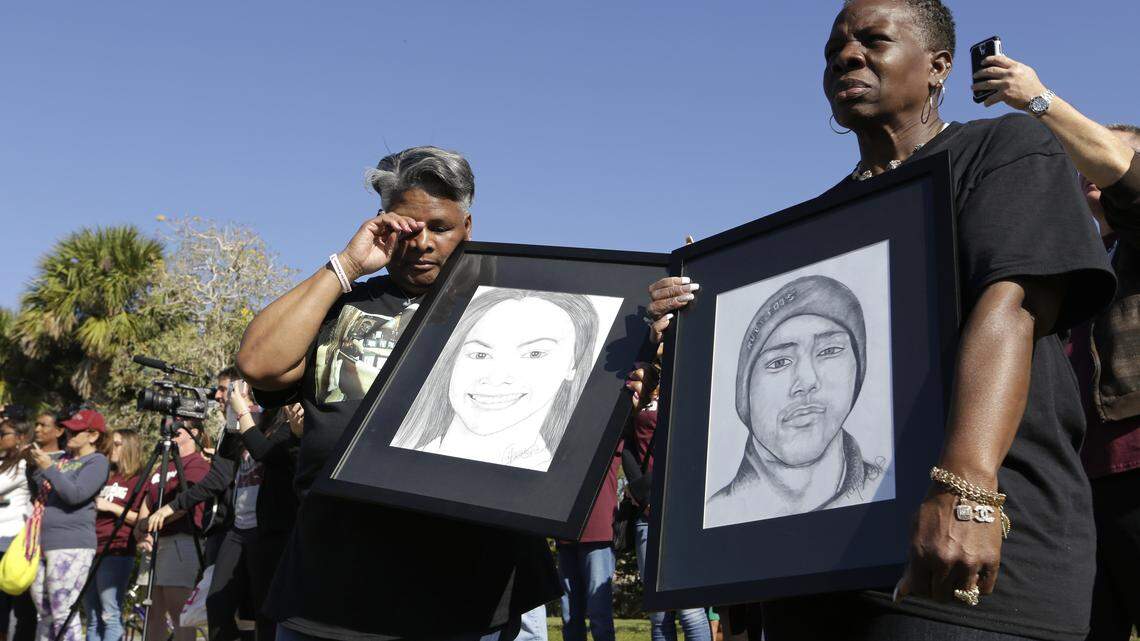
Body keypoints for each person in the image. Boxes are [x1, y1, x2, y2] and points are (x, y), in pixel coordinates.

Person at [647, 1, 1116, 638]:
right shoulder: (816, 226)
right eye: (833, 50)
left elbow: (1013, 307)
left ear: (939, 66)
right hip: (816, 580)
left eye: (873, 40)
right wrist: (693, 329)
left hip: (966, 569)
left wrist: (968, 488)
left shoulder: (1001, 149)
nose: (846, 56)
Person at [237, 145, 559, 640]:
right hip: (331, 589)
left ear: (467, 227)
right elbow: (259, 364)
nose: (423, 243)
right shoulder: (340, 306)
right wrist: (347, 264)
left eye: (440, 227)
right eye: (409, 227)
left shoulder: (514, 309)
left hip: (469, 592)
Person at [973, 54, 1140, 640]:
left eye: (1102, 152)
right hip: (1075, 481)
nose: (1086, 164)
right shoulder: (1076, 263)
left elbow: (1128, 180)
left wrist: (1038, 101)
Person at [704, 275, 883, 526]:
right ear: (745, 390)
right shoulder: (713, 515)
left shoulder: (889, 490)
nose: (807, 381)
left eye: (829, 351)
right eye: (779, 362)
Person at [392, 288, 600, 471]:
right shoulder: (388, 457)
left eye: (534, 354)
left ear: (573, 365)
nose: (496, 378)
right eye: (480, 354)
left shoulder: (562, 486)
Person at [623, 368, 712, 641]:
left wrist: (651, 488)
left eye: (639, 376)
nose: (633, 381)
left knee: (689, 609)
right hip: (646, 514)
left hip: (678, 510)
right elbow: (628, 451)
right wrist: (643, 496)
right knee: (659, 614)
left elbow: (680, 450)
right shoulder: (630, 404)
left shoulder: (678, 395)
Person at [28, 409, 112, 641]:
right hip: (43, 543)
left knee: (62, 611)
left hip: (71, 544)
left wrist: (49, 468)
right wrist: (34, 465)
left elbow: (75, 495)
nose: (69, 435)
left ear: (93, 435)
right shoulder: (64, 459)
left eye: (76, 432)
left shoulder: (97, 461)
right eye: (68, 430)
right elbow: (40, 492)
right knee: (44, 614)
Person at [134, 420, 211, 641]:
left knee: (179, 612)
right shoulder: (163, 466)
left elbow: (185, 502)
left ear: (193, 432)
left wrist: (150, 523)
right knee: (152, 612)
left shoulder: (197, 464)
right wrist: (141, 531)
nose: (171, 429)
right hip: (155, 542)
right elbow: (148, 499)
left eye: (178, 425)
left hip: (180, 540)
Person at [554, 439, 620, 641]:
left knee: (599, 614)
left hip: (597, 532)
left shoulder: (611, 430)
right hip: (566, 531)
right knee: (570, 616)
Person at [84, 428, 146, 641]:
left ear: (130, 447)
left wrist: (111, 507)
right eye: (111, 444)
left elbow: (141, 518)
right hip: (92, 547)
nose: (112, 449)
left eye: (118, 444)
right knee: (92, 616)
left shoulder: (139, 479)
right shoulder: (105, 476)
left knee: (110, 613)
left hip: (116, 550)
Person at [0, 419, 33, 641]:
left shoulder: (22, 465)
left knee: (13, 606)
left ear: (20, 437)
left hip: (11, 540)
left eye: (3, 433)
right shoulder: (5, 463)